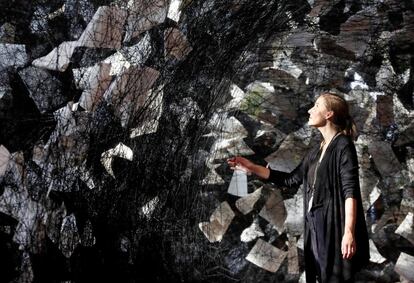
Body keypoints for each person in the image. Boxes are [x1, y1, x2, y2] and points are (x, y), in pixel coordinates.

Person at [228, 93, 370, 282]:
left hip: (332, 227)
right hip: (313, 225)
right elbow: (289, 180)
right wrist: (251, 167)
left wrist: (349, 232)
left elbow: (350, 191)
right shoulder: (315, 152)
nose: (310, 110)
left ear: (328, 114)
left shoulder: (343, 145)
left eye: (316, 106)